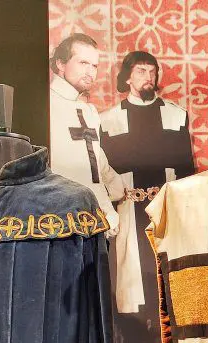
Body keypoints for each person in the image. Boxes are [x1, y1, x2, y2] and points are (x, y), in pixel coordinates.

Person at [99, 51, 195, 343]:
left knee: (168, 290)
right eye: (140, 70)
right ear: (127, 76)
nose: (148, 76)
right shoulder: (107, 120)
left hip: (166, 211)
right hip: (127, 213)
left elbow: (186, 171)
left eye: (152, 70)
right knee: (131, 290)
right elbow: (103, 174)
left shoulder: (176, 115)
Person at [49, 33, 124, 231]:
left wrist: (110, 201)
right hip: (59, 215)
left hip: (92, 216)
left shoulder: (89, 111)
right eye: (83, 63)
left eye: (94, 66)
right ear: (60, 63)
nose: (90, 71)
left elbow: (95, 164)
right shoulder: (46, 105)